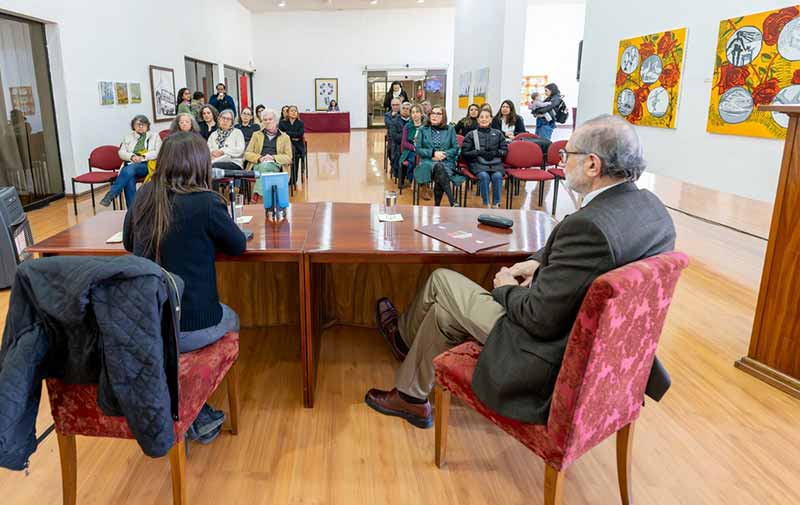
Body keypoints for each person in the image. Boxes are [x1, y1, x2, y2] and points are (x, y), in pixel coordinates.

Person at [365, 114, 676, 429]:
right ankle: (411, 397)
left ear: (593, 165)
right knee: (443, 317)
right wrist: (539, 261)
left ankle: (402, 337)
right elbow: (591, 257)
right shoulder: (651, 210)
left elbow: (538, 318)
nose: (563, 161)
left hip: (547, 352)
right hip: (605, 352)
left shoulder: (589, 228)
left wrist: (503, 287)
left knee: (441, 279)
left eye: (567, 155)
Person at [122, 132, 246, 444]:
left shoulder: (145, 196)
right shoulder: (205, 202)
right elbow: (237, 245)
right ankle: (195, 409)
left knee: (173, 341)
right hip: (191, 326)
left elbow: (127, 242)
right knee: (232, 318)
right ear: (201, 165)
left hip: (148, 322)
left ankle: (190, 411)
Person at [99, 115, 161, 208]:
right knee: (129, 179)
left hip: (147, 164)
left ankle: (112, 193)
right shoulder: (127, 137)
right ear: (133, 126)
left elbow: (158, 152)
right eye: (138, 125)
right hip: (131, 163)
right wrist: (131, 157)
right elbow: (121, 152)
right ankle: (132, 212)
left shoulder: (155, 136)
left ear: (147, 126)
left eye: (143, 125)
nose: (140, 127)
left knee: (130, 169)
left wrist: (143, 157)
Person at [414, 105, 460, 207]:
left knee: (440, 170)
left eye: (438, 114)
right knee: (439, 169)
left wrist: (444, 155)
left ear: (443, 116)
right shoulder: (423, 129)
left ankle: (437, 206)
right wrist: (433, 153)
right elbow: (418, 149)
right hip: (427, 163)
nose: (435, 116)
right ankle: (452, 201)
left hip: (446, 161)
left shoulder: (450, 129)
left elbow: (455, 148)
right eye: (432, 113)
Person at [461, 109, 508, 208]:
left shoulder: (498, 133)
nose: (484, 119)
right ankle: (486, 203)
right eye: (481, 117)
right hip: (478, 164)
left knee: (497, 176)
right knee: (484, 176)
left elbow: (504, 150)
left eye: (487, 117)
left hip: (496, 165)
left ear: (491, 119)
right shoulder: (471, 134)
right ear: (478, 119)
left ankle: (496, 204)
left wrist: (496, 153)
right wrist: (478, 153)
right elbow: (464, 153)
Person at [244, 109, 293, 202]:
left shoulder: (285, 137)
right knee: (264, 167)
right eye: (265, 120)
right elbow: (247, 153)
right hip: (258, 163)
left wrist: (273, 157)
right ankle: (269, 198)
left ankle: (257, 193)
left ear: (276, 121)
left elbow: (288, 157)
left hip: (276, 164)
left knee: (265, 167)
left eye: (270, 119)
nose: (267, 122)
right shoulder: (256, 135)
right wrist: (259, 158)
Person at [398, 104, 424, 189]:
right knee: (413, 159)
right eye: (413, 112)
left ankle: (422, 181)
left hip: (423, 150)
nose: (415, 114)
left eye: (417, 112)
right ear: (410, 115)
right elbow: (404, 142)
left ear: (421, 113)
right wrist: (414, 148)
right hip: (410, 150)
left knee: (424, 161)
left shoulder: (426, 127)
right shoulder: (407, 126)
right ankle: (412, 179)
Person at [279, 105, 305, 185]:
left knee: (295, 154)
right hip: (285, 145)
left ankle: (293, 179)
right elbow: (281, 134)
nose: (294, 112)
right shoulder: (282, 123)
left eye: (295, 111)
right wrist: (293, 136)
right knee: (282, 155)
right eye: (292, 111)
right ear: (288, 113)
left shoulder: (300, 123)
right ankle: (284, 178)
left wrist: (288, 134)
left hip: (297, 145)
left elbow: (300, 134)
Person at [388, 101, 411, 184]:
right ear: (400, 110)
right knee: (400, 154)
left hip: (411, 146)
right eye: (403, 108)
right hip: (398, 146)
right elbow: (395, 137)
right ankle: (400, 177)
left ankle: (412, 178)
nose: (405, 110)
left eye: (407, 109)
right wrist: (407, 137)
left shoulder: (413, 121)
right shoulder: (394, 121)